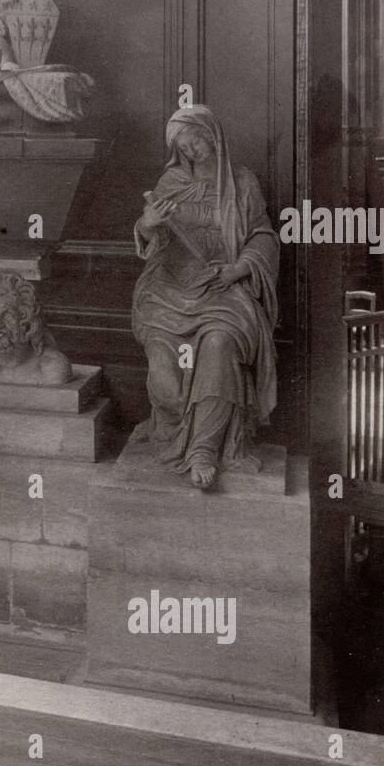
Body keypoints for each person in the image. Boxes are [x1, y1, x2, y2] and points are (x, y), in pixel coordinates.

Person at [132, 105, 279, 490]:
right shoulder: (171, 182)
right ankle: (175, 430)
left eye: (195, 138)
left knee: (218, 345)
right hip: (167, 293)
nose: (192, 149)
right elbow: (153, 237)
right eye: (183, 145)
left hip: (222, 292)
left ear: (212, 133)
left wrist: (239, 268)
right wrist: (148, 225)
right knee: (166, 379)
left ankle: (204, 448)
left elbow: (263, 235)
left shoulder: (241, 183)